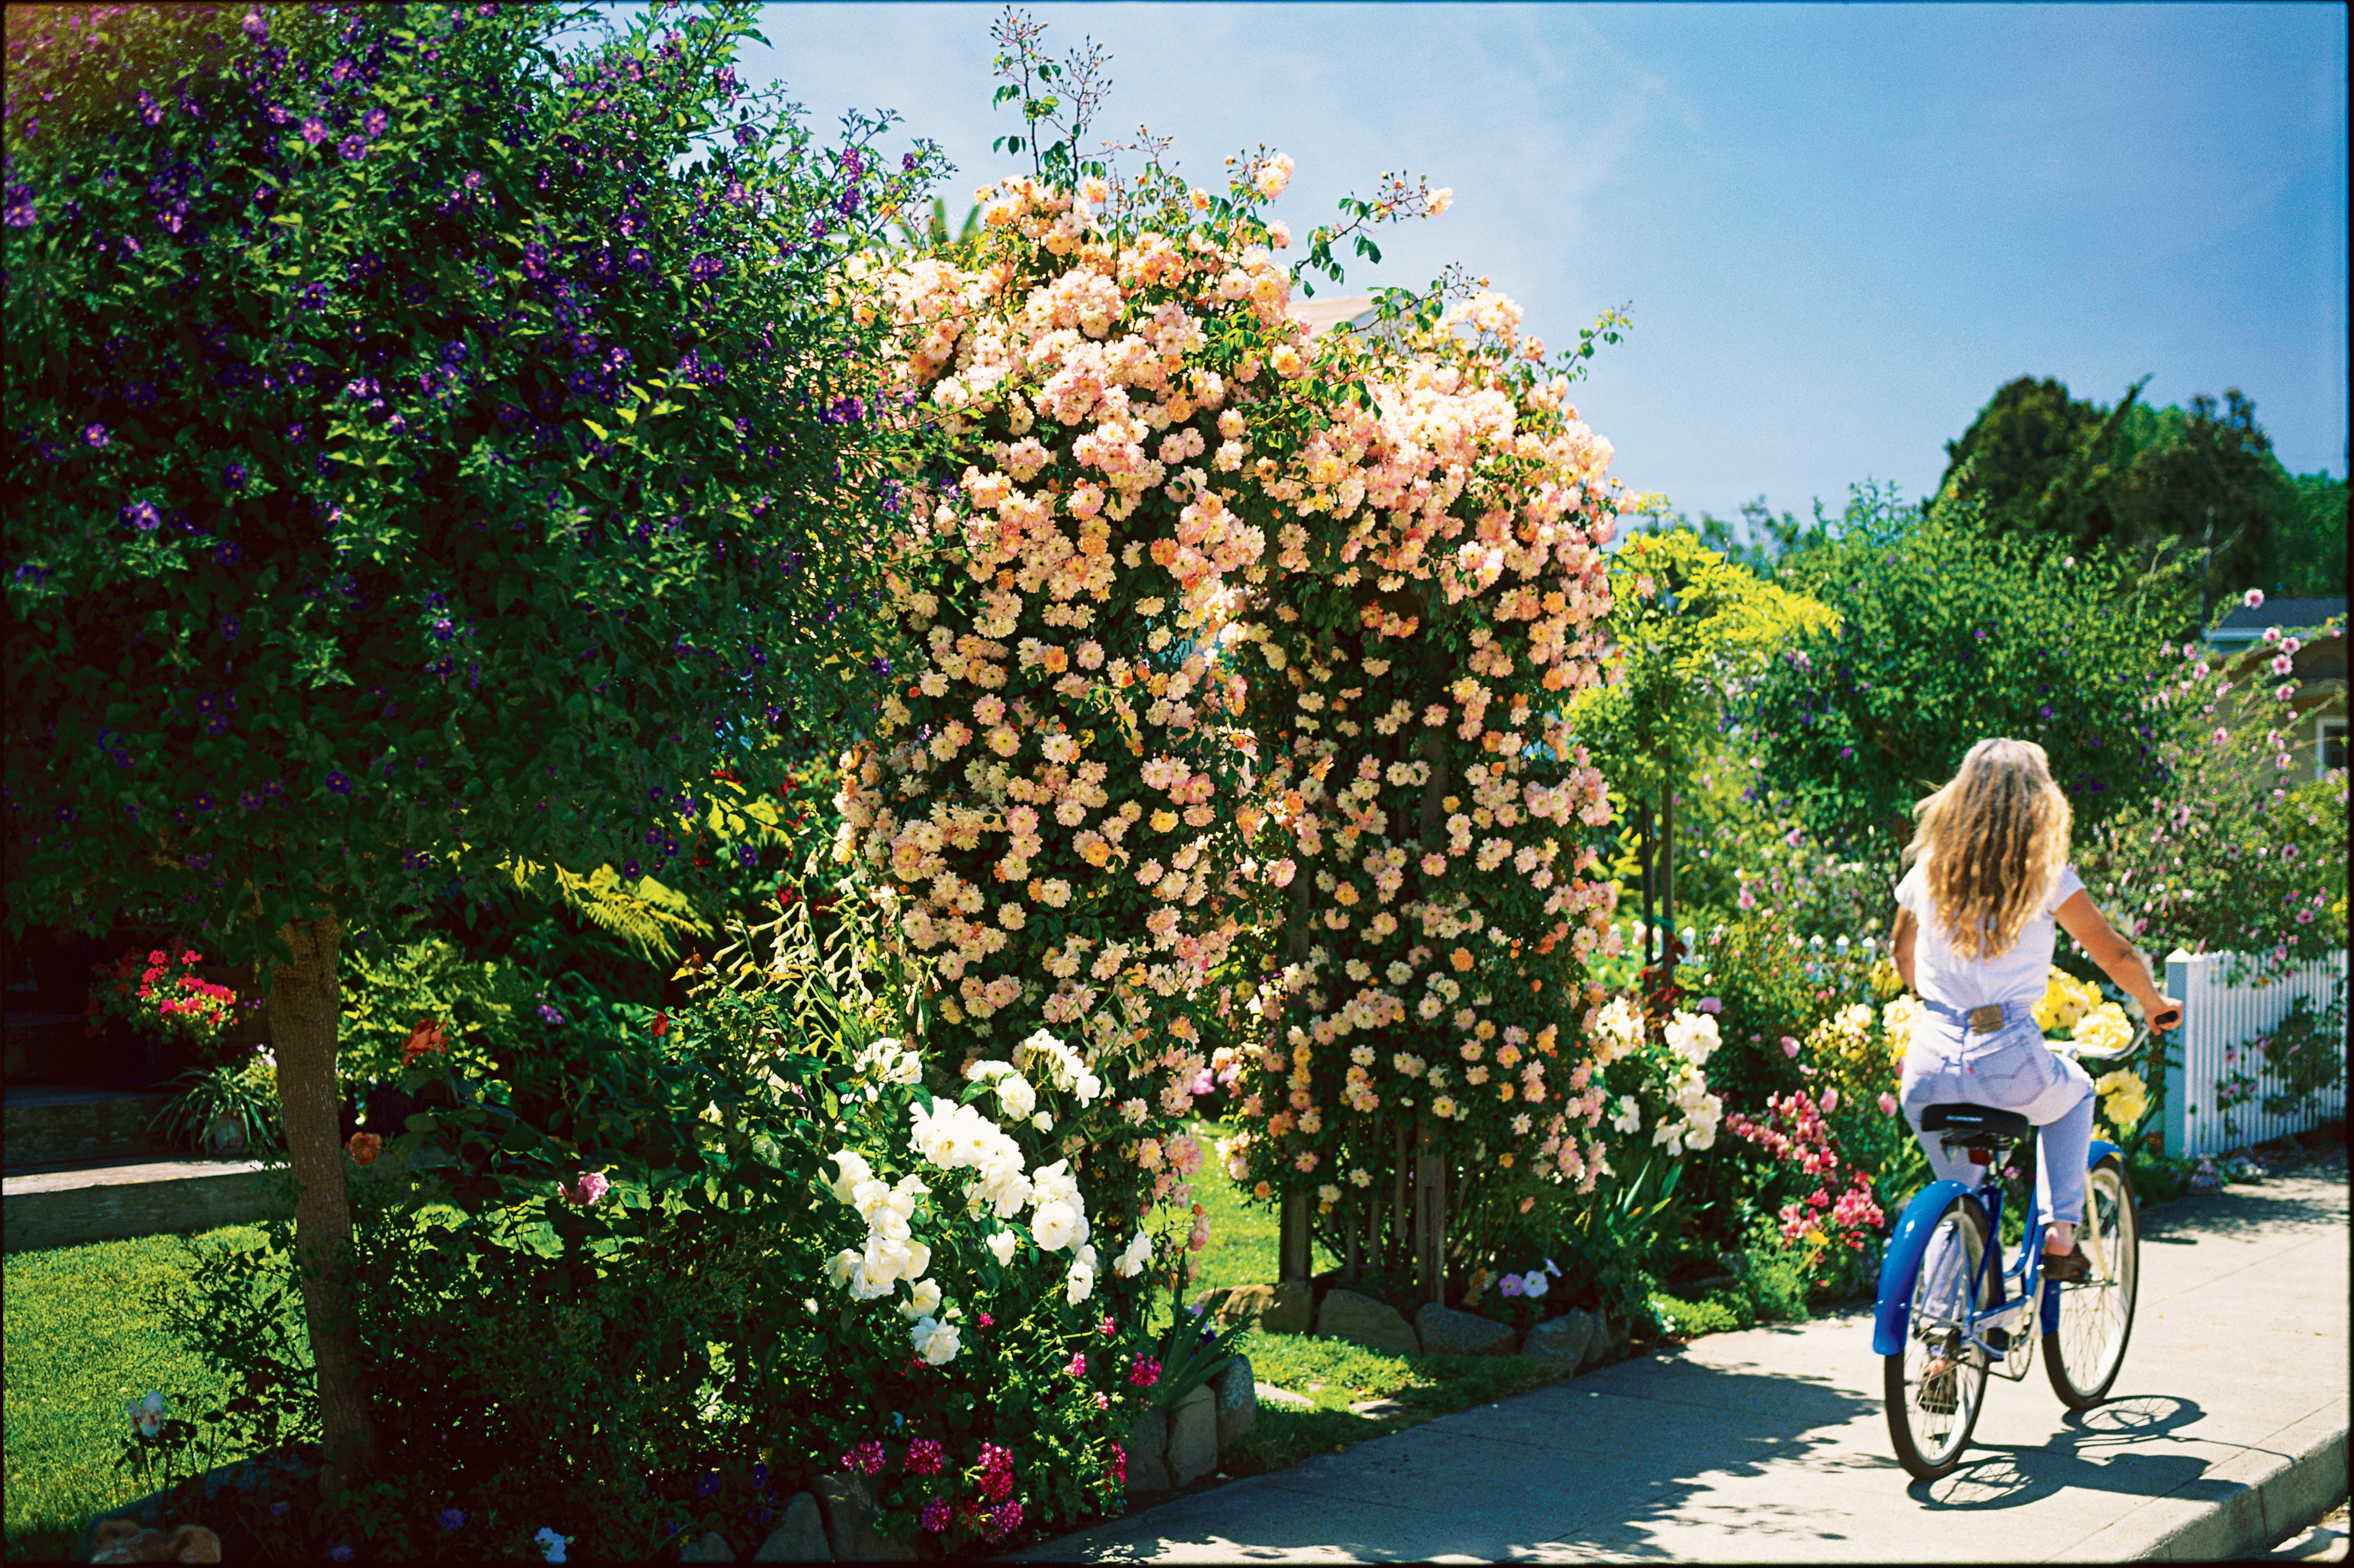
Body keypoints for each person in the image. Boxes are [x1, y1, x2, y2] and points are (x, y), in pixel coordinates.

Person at [1890, 737, 2181, 1281]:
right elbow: (2112, 951)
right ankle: (2059, 1235)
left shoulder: (1928, 868)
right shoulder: (2043, 875)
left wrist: (1936, 997)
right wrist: (2154, 1003)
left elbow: (1901, 952)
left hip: (1927, 1066)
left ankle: (1942, 1340)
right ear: (2037, 801)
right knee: (2075, 1095)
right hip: (2007, 1061)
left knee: (1961, 1197)